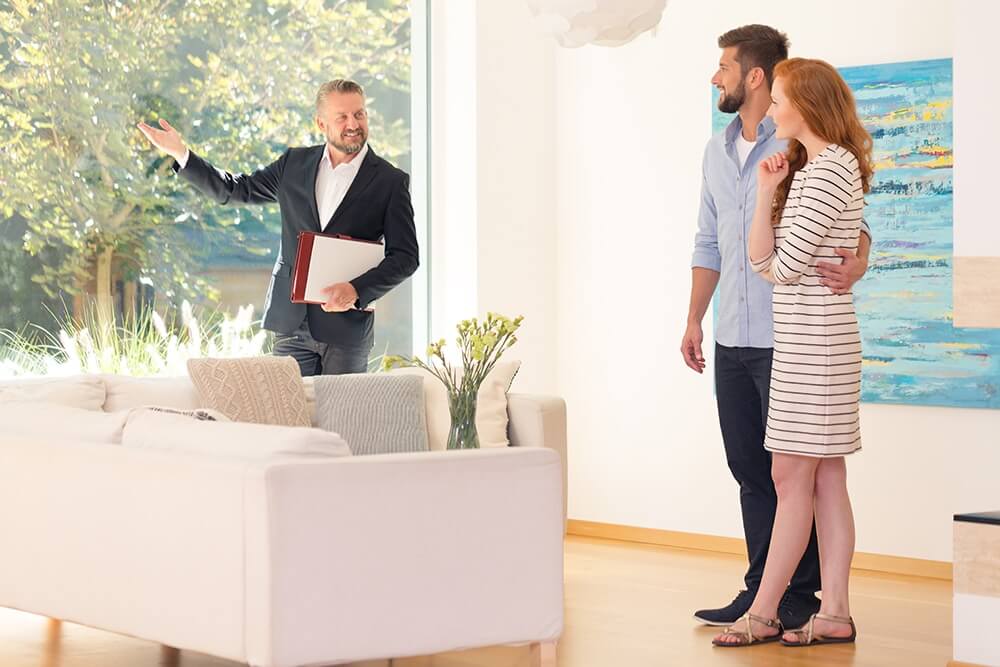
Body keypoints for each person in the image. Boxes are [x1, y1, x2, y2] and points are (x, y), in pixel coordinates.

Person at [683, 25, 871, 630]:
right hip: (734, 331)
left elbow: (816, 243)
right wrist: (693, 317)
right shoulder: (718, 151)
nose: (716, 77)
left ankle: (789, 599)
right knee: (756, 469)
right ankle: (766, 588)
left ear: (757, 76)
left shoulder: (800, 149)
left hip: (793, 339)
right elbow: (712, 242)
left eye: (724, 67)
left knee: (793, 475)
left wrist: (860, 253)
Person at [138, 79, 419, 376]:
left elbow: (405, 257)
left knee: (341, 419)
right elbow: (235, 190)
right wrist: (182, 154)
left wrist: (356, 290)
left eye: (359, 114)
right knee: (287, 415)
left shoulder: (390, 181)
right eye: (342, 117)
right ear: (321, 123)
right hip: (291, 324)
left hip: (347, 331)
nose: (354, 124)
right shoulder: (293, 164)